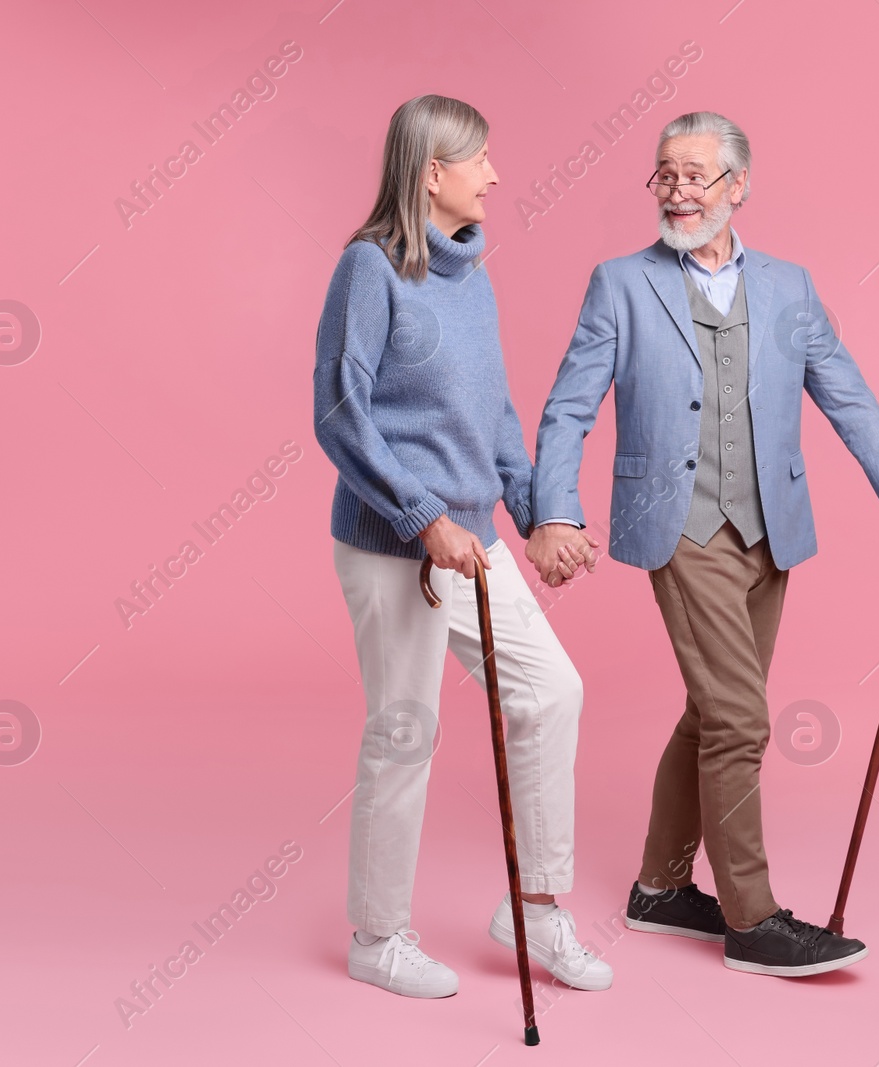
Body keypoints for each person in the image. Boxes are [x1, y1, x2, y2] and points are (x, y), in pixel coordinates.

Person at [528, 110, 879, 977]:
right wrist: (557, 511)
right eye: (666, 174)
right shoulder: (620, 283)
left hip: (770, 528)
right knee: (740, 716)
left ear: (740, 186)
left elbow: (848, 395)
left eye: (697, 174)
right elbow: (569, 408)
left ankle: (659, 890)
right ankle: (753, 918)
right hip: (675, 523)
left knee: (710, 711)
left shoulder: (790, 287)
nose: (679, 190)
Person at [313, 94, 611, 999]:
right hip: (395, 543)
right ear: (431, 173)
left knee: (553, 690)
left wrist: (538, 516)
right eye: (478, 159)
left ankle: (536, 904)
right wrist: (420, 517)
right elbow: (338, 410)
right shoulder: (369, 269)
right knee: (406, 732)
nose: (494, 174)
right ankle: (378, 937)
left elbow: (495, 417)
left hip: (474, 544)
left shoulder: (472, 275)